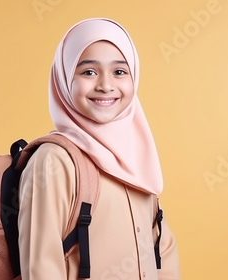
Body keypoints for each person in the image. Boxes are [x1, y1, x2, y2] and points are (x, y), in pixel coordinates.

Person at [18, 18, 180, 280]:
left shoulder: (136, 158)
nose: (106, 85)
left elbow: (162, 251)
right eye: (89, 72)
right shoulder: (55, 162)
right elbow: (41, 268)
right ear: (64, 78)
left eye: (119, 72)